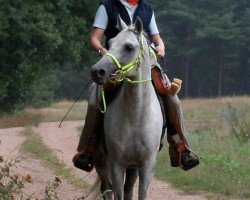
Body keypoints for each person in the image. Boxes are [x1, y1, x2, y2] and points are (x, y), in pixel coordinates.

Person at [73, 0, 199, 172]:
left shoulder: (147, 9)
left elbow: (156, 38)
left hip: (144, 64)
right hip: (115, 63)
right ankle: (89, 147)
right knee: (95, 100)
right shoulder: (107, 6)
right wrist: (105, 52)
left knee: (173, 99)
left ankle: (180, 146)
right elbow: (95, 38)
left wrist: (160, 47)